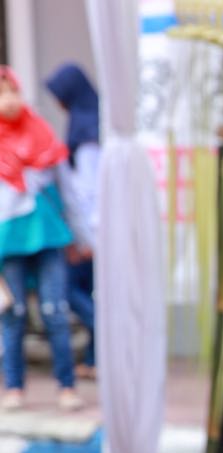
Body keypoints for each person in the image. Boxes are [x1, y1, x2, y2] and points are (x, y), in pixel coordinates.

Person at [0, 66, 84, 411]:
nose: (7, 99)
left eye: (11, 90)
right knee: (13, 312)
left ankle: (66, 385)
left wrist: (82, 236)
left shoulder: (42, 134)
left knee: (55, 310)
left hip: (47, 235)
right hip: (8, 240)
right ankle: (14, 386)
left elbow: (69, 190)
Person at [45, 63, 99, 381]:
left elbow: (88, 189)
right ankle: (94, 360)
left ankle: (103, 337)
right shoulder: (88, 121)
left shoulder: (85, 130)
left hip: (89, 228)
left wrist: (84, 237)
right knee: (87, 290)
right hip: (89, 227)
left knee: (69, 290)